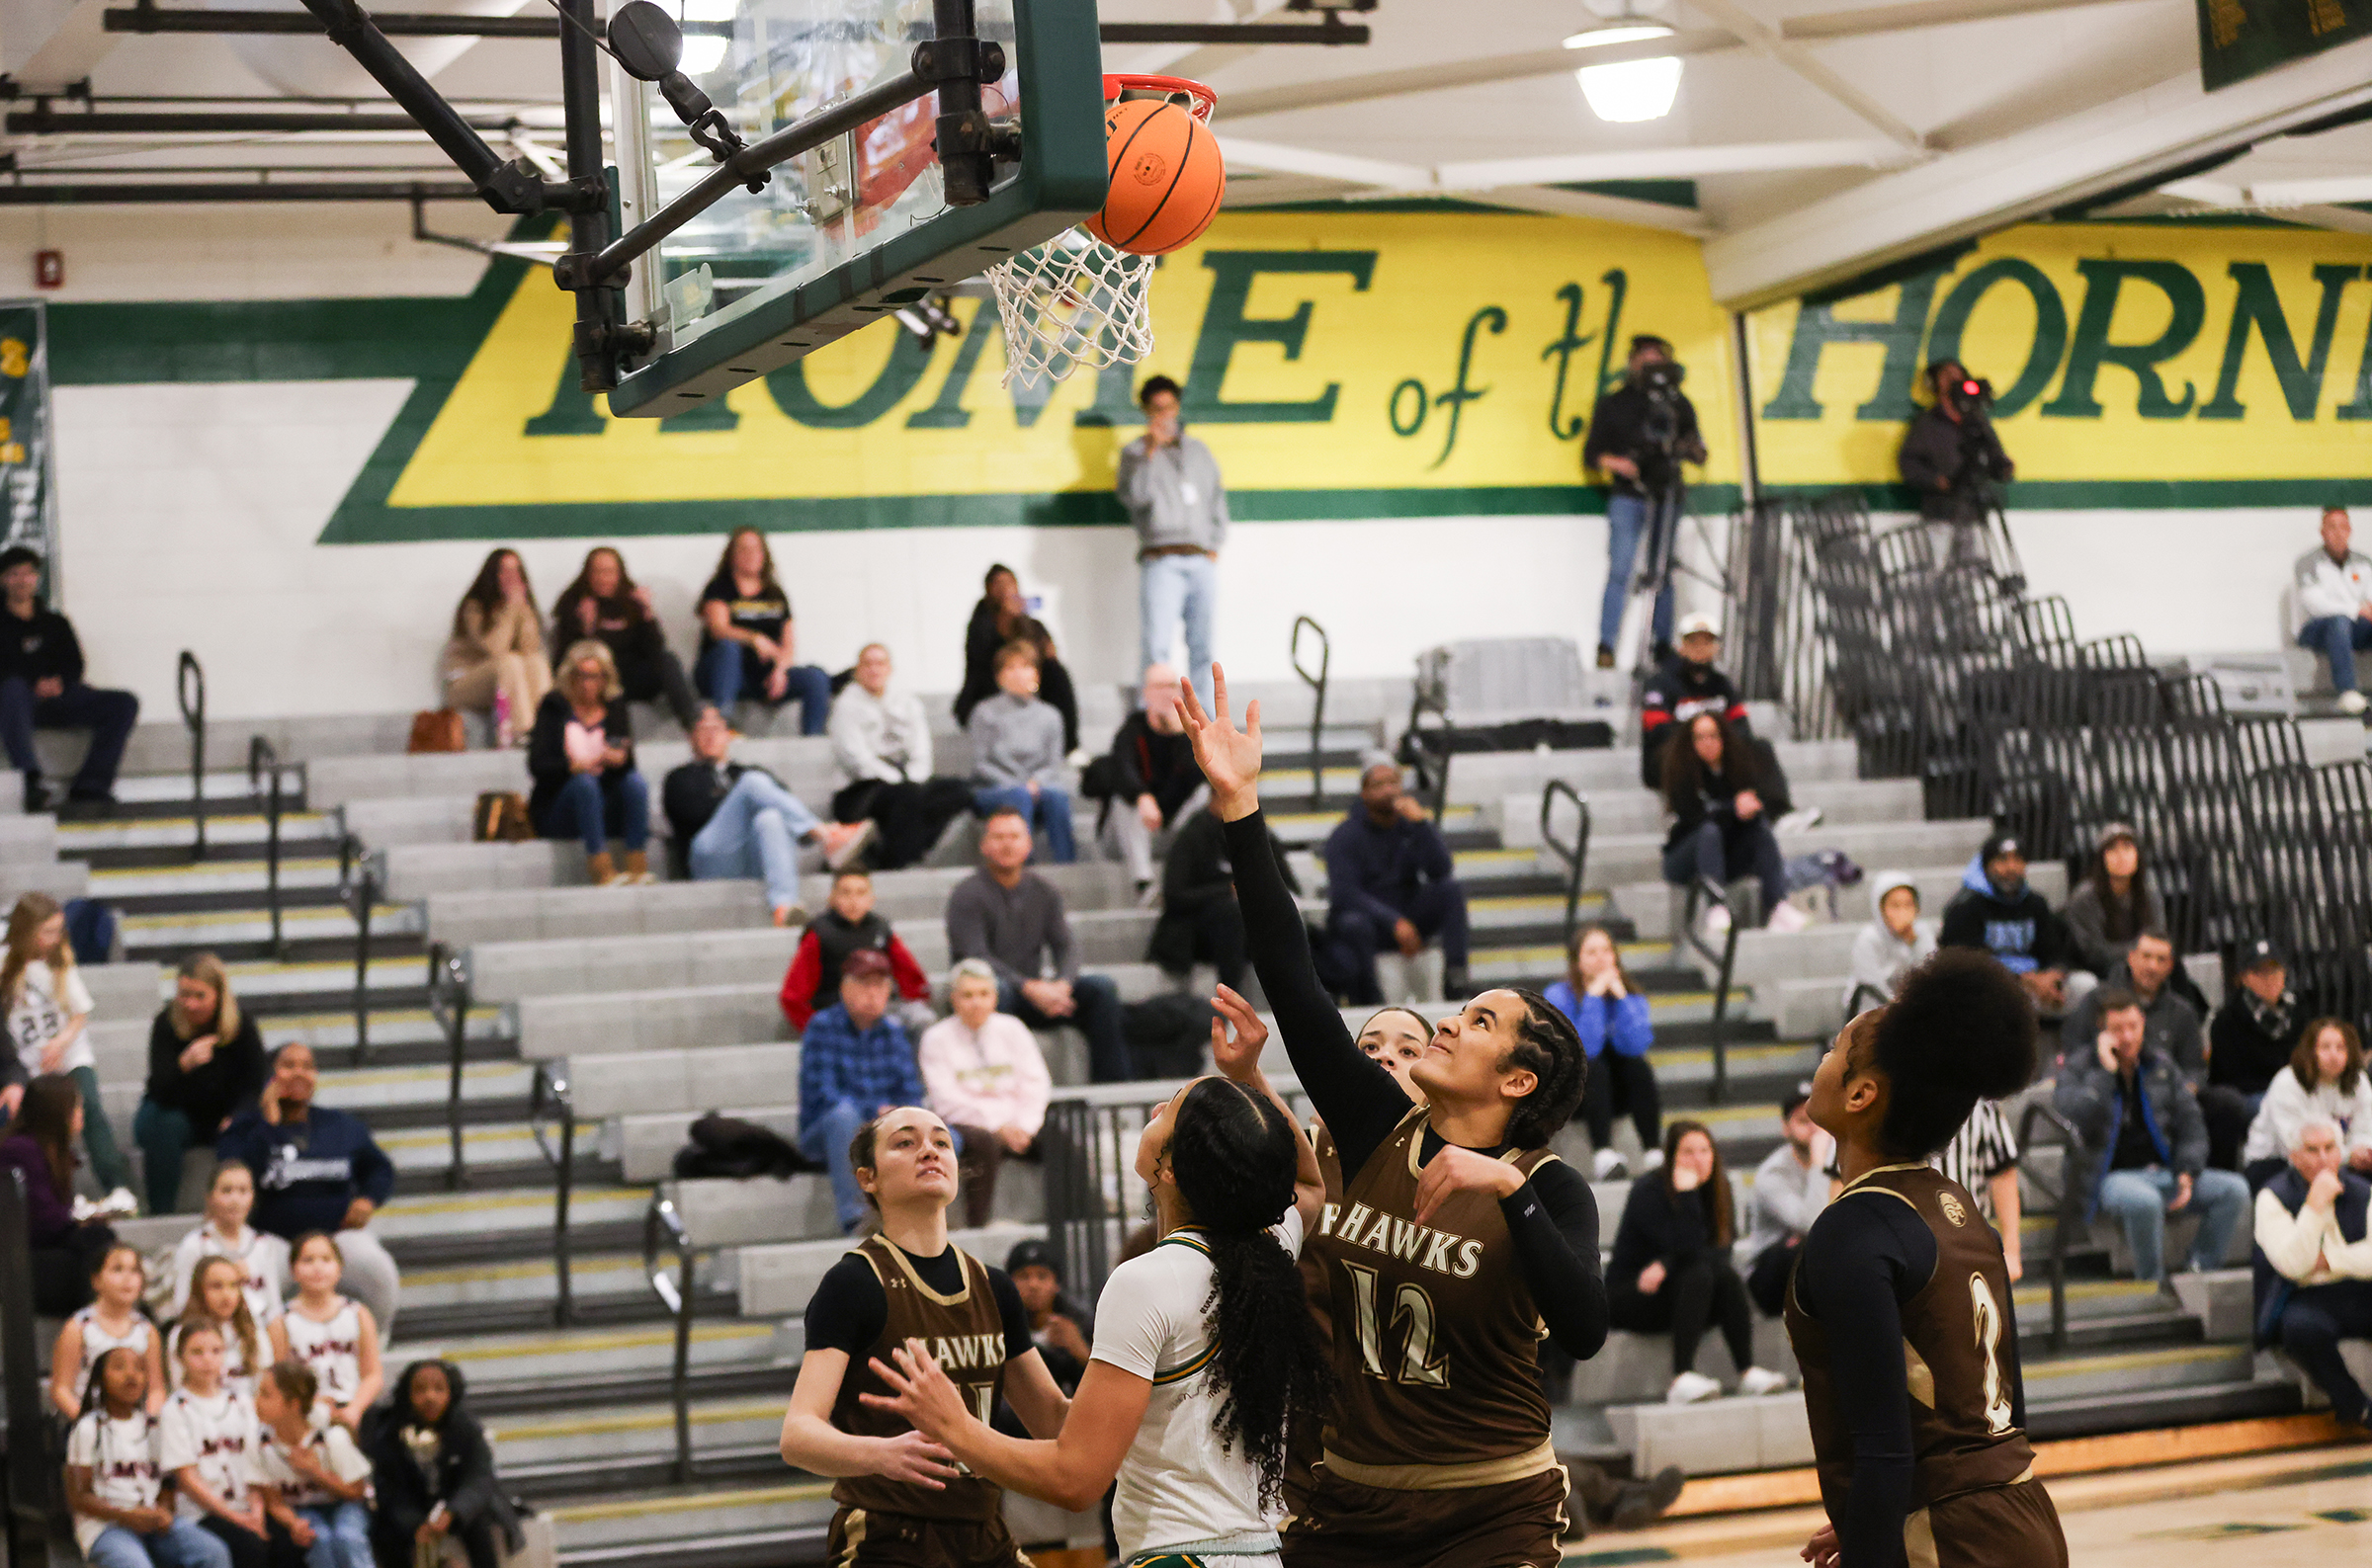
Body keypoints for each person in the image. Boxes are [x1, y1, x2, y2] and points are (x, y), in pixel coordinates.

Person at [1180, 665, 1610, 1568]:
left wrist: (1507, 1191)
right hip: (1355, 1502)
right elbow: (1292, 978)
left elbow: (1584, 1327)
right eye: (1465, 1010)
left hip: (1494, 1507)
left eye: (1481, 1021)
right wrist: (1241, 808)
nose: (1451, 1020)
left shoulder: (1550, 1187)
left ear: (1521, 1082)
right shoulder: (1382, 1129)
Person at [860, 1004, 1329, 1568]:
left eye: (1167, 1114)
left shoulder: (1149, 1280)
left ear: (1170, 1169)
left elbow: (1076, 1478)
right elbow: (1307, 1181)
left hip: (1180, 1556)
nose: (1155, 1109)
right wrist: (1249, 1079)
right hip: (1260, 1554)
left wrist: (956, 1428)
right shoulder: (1270, 1247)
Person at [1788, 949, 2066, 1568]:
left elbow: (1885, 1448)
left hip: (1953, 1536)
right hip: (2022, 1513)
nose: (1822, 1062)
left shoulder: (1853, 1228)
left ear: (1861, 1094)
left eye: (1834, 1048)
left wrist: (1883, 1538)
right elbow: (1999, 1409)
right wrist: (1880, 1519)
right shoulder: (1959, 1207)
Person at [775, 1104, 1070, 1567]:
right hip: (889, 1535)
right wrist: (880, 1454)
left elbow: (1053, 1421)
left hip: (986, 1533)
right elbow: (798, 1434)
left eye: (941, 1141)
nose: (928, 1151)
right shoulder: (854, 1282)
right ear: (867, 1178)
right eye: (905, 1142)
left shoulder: (994, 1286)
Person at [2053, 987, 2250, 1285]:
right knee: (2144, 1201)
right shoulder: (2080, 1068)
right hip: (2109, 1177)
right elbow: (2077, 1116)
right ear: (2102, 1032)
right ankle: (2151, 1283)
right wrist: (2106, 1073)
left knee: (2234, 1190)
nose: (2128, 1037)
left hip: (2164, 1171)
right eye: (2117, 1029)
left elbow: (2191, 1123)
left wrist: (2187, 1170)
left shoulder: (2160, 1065)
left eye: (2133, 1027)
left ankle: (2198, 1270)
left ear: (2143, 1024)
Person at [214, 1043, 400, 1337]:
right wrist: (268, 1123)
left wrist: (368, 1199)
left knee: (376, 1267)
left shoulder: (340, 1125)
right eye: (288, 1065)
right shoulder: (246, 1127)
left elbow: (380, 1168)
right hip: (273, 1241)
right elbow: (232, 1171)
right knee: (252, 1281)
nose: (299, 1073)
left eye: (307, 1066)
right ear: (269, 1076)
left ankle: (373, 1346)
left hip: (335, 1239)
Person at [1607, 1122, 1789, 1403]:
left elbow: (1721, 1251)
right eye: (1688, 1152)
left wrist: (1666, 1264)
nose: (1698, 1159)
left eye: (1705, 1151)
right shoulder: (1648, 1190)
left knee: (1723, 1274)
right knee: (1700, 1272)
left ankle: (1747, 1371)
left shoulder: (1720, 1187)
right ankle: (1681, 1375)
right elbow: (1685, 1247)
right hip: (1635, 1294)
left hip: (1685, 1293)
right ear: (1671, 1157)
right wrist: (1687, 1195)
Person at [946, 808, 1132, 1083]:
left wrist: (1063, 985)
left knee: (1101, 990)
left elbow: (1066, 946)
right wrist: (1030, 988)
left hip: (1039, 994)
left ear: (1028, 843)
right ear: (984, 845)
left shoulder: (1045, 891)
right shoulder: (966, 894)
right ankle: (1006, 1090)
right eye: (998, 837)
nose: (1007, 844)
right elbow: (976, 957)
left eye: (1014, 836)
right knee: (996, 991)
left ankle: (1113, 1088)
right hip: (996, 993)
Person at [664, 704, 871, 925]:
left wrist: (747, 801)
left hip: (753, 856)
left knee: (770, 817)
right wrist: (740, 801)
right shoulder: (680, 777)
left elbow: (784, 807)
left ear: (729, 735)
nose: (710, 735)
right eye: (702, 729)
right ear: (690, 737)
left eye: (716, 728)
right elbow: (691, 815)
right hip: (710, 857)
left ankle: (784, 906)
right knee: (753, 785)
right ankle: (828, 835)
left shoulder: (748, 771)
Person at [4, 889, 137, 1208]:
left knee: (88, 1108)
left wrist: (61, 1043)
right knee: (39, 1128)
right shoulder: (5, 961)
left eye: (57, 930)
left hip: (70, 1053)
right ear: (27, 930)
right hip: (27, 1061)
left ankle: (117, 1186)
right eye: (46, 931)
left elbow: (80, 1011)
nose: (54, 937)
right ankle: (54, 1196)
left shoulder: (60, 960)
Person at [1583, 336, 1705, 667]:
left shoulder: (1679, 404)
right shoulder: (1614, 404)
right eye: (1646, 362)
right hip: (1628, 495)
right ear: (1633, 363)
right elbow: (1592, 454)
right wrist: (1619, 463)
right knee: (1620, 569)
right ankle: (1607, 645)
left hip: (1667, 494)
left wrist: (1688, 449)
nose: (1652, 370)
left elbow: (1697, 448)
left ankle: (1661, 644)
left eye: (1658, 363)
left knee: (1662, 571)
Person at [2249, 1116, 2372, 1432]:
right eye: (2311, 1150)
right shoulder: (2272, 1197)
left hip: (2357, 1289)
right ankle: (2356, 1406)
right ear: (2294, 1156)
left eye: (2329, 1148)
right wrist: (2314, 1207)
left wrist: (2330, 1260)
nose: (2322, 1159)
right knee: (2301, 1329)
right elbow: (2294, 1265)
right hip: (2301, 1295)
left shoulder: (2363, 1191)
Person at [0, 543, 139, 814]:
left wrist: (59, 682)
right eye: (14, 574)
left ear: (36, 578)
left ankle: (91, 786)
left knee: (123, 703)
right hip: (15, 703)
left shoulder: (55, 623)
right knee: (13, 689)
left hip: (58, 697)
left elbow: (74, 663)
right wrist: (33, 684)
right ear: (4, 579)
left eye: (28, 573)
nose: (22, 580)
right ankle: (29, 781)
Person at [1320, 755, 1473, 1004]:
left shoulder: (1410, 825)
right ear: (1364, 793)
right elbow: (1345, 893)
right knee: (1353, 924)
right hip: (1371, 921)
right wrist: (1394, 922)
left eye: (1392, 782)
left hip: (1408, 912)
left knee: (1450, 889)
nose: (1388, 790)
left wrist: (1423, 825)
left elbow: (1441, 870)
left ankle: (1456, 976)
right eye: (1378, 785)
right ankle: (1369, 999)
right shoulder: (1345, 835)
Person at [797, 950, 930, 1235]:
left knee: (945, 1135)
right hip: (826, 1130)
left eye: (879, 986)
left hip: (882, 1126)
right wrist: (877, 1113)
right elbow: (823, 1094)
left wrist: (897, 1116)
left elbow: (911, 1092)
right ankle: (857, 1219)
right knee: (844, 1117)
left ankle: (925, 1215)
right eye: (864, 985)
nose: (872, 994)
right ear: (845, 988)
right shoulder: (822, 1028)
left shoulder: (894, 1033)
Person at [1116, 375, 1226, 713]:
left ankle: (1205, 717)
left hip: (1199, 558)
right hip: (1161, 559)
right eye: (1156, 409)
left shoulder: (1199, 450)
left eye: (1169, 407)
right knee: (1158, 645)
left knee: (1203, 645)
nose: (1164, 415)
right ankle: (1155, 719)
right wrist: (1149, 454)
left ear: (1177, 407)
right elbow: (1136, 499)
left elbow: (1215, 498)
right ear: (1146, 411)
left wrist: (1213, 543)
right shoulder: (1134, 453)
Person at [917, 959, 1053, 1231]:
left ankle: (1070, 1218)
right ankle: (977, 1227)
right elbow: (946, 1100)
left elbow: (1036, 1084)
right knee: (983, 1142)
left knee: (1061, 1135)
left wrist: (1024, 1126)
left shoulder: (1012, 1028)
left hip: (1020, 1122)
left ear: (995, 997)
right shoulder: (936, 1038)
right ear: (953, 999)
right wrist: (997, 1127)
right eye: (967, 995)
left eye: (983, 994)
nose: (976, 1002)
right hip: (969, 1124)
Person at [67, 1346, 231, 1568]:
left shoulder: (154, 1426)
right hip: (106, 1526)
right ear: (99, 1379)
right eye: (119, 1367)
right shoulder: (88, 1428)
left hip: (151, 1522)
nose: (131, 1374)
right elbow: (78, 1497)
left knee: (214, 1552)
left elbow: (166, 1483)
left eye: (139, 1368)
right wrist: (128, 1516)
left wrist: (162, 1510)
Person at [135, 954, 267, 1216]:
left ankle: (252, 1216)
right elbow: (160, 1090)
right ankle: (162, 1212)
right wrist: (183, 1064)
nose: (191, 1004)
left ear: (218, 995)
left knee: (253, 1130)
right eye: (184, 995)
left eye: (199, 996)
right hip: (175, 1110)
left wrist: (237, 1115)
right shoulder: (166, 1023)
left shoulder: (242, 1026)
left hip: (222, 1115)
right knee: (163, 1124)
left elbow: (256, 1083)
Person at [829, 642, 974, 870]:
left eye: (880, 663)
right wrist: (902, 783)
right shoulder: (845, 706)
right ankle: (897, 865)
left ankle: (889, 855)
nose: (874, 669)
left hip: (906, 782)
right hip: (860, 790)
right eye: (868, 664)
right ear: (857, 670)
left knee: (959, 791)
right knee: (906, 797)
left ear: (890, 669)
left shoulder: (907, 703)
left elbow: (921, 751)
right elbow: (856, 760)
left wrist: (914, 781)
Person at [367, 1360, 525, 1568]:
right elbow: (388, 1489)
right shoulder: (390, 1432)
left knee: (479, 1523)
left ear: (451, 1394)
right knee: (386, 1533)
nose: (430, 1397)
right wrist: (415, 1524)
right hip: (412, 1509)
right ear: (407, 1394)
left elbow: (479, 1478)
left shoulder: (466, 1427)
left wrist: (453, 1512)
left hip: (455, 1506)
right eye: (420, 1390)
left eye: (439, 1389)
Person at [1659, 713, 1804, 937]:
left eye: (1713, 736)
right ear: (1691, 743)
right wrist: (1732, 809)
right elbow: (1694, 817)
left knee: (1760, 829)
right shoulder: (1682, 773)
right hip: (1686, 857)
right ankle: (1716, 906)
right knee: (1709, 831)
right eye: (1700, 737)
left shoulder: (1737, 767)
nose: (1708, 743)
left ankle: (1777, 905)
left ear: (1723, 738)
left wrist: (1750, 809)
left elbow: (1753, 806)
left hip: (1726, 856)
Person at [529, 639, 652, 887]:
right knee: (584, 784)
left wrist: (618, 759)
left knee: (635, 783)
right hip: (562, 805)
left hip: (605, 802)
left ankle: (637, 865)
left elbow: (628, 763)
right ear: (570, 677)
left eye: (596, 677)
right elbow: (538, 765)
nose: (588, 684)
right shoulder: (553, 707)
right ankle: (600, 868)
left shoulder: (615, 707)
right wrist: (574, 767)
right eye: (582, 676)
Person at [1546, 925, 1662, 1181]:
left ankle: (1653, 1151)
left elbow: (1637, 1045)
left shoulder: (1631, 995)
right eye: (1592, 952)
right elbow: (1583, 1050)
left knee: (1638, 1066)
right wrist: (1594, 997)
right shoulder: (1557, 996)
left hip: (1618, 1093)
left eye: (1607, 950)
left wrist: (1622, 1000)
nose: (1601, 958)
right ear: (1577, 962)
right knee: (1594, 1066)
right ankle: (1603, 1154)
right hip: (1573, 1093)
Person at [1147, 794, 1296, 995]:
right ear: (1215, 799)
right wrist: (1227, 890)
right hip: (1196, 929)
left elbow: (1289, 885)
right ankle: (1233, 999)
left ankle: (1295, 1000)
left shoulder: (1256, 834)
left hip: (1247, 928)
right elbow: (1174, 896)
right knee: (1232, 916)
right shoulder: (1193, 835)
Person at [695, 528, 833, 732]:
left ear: (764, 555)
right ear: (732, 555)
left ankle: (812, 739)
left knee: (817, 677)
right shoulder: (719, 588)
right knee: (729, 648)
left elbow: (788, 645)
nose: (751, 555)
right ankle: (722, 727)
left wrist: (780, 670)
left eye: (756, 549)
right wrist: (754, 638)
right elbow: (718, 628)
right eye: (744, 549)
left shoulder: (775, 594)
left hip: (763, 677)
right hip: (722, 674)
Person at [1, 1073, 118, 1313]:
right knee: (98, 1244)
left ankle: (105, 1319)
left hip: (38, 1253)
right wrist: (81, 1220)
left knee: (100, 1245)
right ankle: (97, 1322)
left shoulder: (51, 1151)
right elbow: (40, 1222)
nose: (80, 1113)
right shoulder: (20, 1150)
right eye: (76, 1107)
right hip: (15, 1263)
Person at [549, 544, 700, 730]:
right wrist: (585, 630)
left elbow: (655, 649)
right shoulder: (574, 602)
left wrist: (647, 614)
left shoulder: (631, 601)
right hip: (597, 679)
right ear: (587, 575)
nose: (604, 578)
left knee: (668, 660)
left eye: (610, 572)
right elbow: (565, 659)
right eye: (598, 572)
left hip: (630, 677)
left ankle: (694, 724)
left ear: (619, 574)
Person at [1088, 663, 1206, 897]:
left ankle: (1192, 875)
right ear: (1146, 692)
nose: (1165, 692)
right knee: (1125, 801)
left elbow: (1195, 778)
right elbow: (1120, 770)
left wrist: (1181, 736)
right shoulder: (1131, 730)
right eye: (1158, 686)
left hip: (1170, 828)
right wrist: (1141, 796)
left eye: (1171, 686)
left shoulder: (1191, 735)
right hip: (1126, 834)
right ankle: (1143, 884)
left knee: (1205, 793)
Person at [159, 1321, 269, 1568]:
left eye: (216, 1351)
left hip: (247, 1505)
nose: (208, 1360)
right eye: (197, 1352)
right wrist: (237, 1518)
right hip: (203, 1513)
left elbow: (256, 1466)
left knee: (288, 1541)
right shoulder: (175, 1409)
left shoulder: (242, 1401)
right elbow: (187, 1480)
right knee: (249, 1546)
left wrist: (256, 1512)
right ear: (180, 1358)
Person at [779, 867, 932, 1035]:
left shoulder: (882, 929)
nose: (854, 900)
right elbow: (793, 996)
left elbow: (912, 979)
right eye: (846, 893)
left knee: (921, 1019)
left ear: (871, 899)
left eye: (861, 893)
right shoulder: (819, 934)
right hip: (837, 1013)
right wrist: (814, 1029)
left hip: (883, 1010)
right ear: (832, 898)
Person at [2204, 940, 2313, 1176]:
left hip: (2297, 1086)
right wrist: (2280, 1091)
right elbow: (2229, 1076)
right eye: (2259, 972)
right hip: (2251, 1093)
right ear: (2244, 978)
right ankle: (2280, 1171)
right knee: (2268, 1107)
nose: (2269, 978)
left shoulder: (2299, 1010)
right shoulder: (2226, 1020)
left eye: (2274, 970)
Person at [1939, 832, 2076, 1018]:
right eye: (2002, 860)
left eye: (2018, 860)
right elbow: (1966, 963)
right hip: (1991, 986)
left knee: (2084, 986)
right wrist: (2021, 980)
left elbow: (2054, 949)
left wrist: (2053, 975)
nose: (2011, 868)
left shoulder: (2036, 903)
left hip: (2037, 985)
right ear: (1986, 866)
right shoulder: (1965, 906)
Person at [252, 1361, 374, 1568]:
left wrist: (315, 1471)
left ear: (294, 1404)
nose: (256, 1401)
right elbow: (275, 1502)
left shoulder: (331, 1437)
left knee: (348, 1538)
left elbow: (356, 1491)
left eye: (266, 1395)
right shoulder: (261, 1445)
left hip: (345, 1504)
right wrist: (294, 1524)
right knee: (319, 1539)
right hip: (303, 1508)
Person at [966, 641, 1076, 863]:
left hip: (1037, 787)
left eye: (1025, 666)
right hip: (994, 787)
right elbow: (981, 763)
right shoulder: (984, 713)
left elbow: (1054, 763)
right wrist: (1020, 785)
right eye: (1010, 668)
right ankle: (1022, 867)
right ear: (999, 677)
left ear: (1036, 674)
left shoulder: (1050, 715)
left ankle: (1066, 865)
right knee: (1019, 796)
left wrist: (1035, 783)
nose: (1018, 674)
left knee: (1057, 797)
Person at [954, 566, 1081, 755]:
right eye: (998, 584)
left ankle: (1070, 746)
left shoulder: (1031, 624)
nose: (1005, 589)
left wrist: (1021, 624)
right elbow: (985, 661)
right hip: (988, 690)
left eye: (1009, 583)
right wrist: (1005, 620)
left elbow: (1046, 655)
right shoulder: (980, 623)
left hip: (1031, 692)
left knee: (1057, 673)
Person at [2058, 929, 2205, 1087]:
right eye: (2146, 956)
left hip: (2166, 1096)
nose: (2152, 967)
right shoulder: (2097, 1001)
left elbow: (2194, 1068)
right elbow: (2073, 1051)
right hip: (2105, 1091)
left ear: (2170, 967)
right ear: (2131, 958)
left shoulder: (2182, 1012)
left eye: (2161, 960)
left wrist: (2187, 1091)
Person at [2239, 1019, 2372, 1189]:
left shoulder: (2359, 1082)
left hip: (2338, 1161)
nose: (2334, 1055)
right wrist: (2348, 1156)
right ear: (2310, 1051)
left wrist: (2361, 1152)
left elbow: (2365, 1130)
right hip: (2275, 1161)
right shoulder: (2287, 1082)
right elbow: (2294, 1146)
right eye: (2325, 1048)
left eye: (2341, 1048)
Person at [438, 547, 549, 747]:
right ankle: (521, 731)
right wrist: (510, 609)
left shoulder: (520, 606)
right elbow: (496, 649)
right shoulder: (474, 608)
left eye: (516, 571)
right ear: (492, 575)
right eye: (504, 571)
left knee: (536, 661)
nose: (511, 577)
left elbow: (529, 649)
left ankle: (547, 729)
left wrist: (523, 612)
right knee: (509, 661)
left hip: (505, 678)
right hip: (465, 683)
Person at [1743, 1087, 1834, 1319]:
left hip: (1814, 1262)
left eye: (1818, 1119)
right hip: (1769, 1273)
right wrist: (1818, 1164)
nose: (1814, 1129)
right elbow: (1813, 1223)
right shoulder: (1772, 1174)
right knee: (1807, 1248)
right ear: (1786, 1128)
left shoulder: (1840, 1159)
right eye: (1803, 1121)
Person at [1898, 359, 2015, 537]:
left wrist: (2003, 467)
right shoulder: (1927, 423)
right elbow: (1908, 461)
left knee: (1975, 562)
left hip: (1974, 513)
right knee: (1941, 564)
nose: (1952, 379)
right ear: (1935, 383)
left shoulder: (1977, 420)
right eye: (1946, 375)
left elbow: (1993, 450)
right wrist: (1936, 480)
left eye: (1956, 375)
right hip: (1941, 513)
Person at [167, 1162, 291, 1331]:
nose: (235, 1199)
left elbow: (274, 1308)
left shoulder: (263, 1244)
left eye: (243, 1191)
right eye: (226, 1191)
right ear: (210, 1197)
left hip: (258, 1336)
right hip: (211, 1337)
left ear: (252, 1197)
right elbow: (182, 1306)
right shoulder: (195, 1245)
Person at [282, 1232, 383, 1436]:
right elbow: (279, 1379)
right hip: (306, 1415)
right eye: (308, 1260)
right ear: (293, 1271)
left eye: (326, 1260)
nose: (317, 1267)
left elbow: (373, 1374)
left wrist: (354, 1409)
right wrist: (309, 1404)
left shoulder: (358, 1313)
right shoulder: (282, 1320)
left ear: (339, 1268)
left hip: (354, 1410)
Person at [53, 1241, 166, 1418]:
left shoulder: (147, 1330)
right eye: (117, 1269)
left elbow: (156, 1390)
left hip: (133, 1426)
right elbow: (61, 1390)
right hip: (87, 1424)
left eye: (135, 1270)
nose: (127, 1278)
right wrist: (90, 1425)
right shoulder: (78, 1327)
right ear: (96, 1281)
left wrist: (147, 1422)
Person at [1637, 614, 1749, 790]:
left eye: (1706, 642)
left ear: (1715, 648)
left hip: (1716, 757)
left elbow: (1742, 727)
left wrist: (1715, 743)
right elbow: (1657, 730)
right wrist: (1701, 739)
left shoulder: (1723, 685)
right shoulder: (1660, 683)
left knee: (1760, 749)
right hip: (1672, 760)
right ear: (1681, 647)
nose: (1700, 648)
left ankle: (1776, 811)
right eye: (1693, 642)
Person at [1931, 1099, 2025, 1281]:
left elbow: (2002, 1171)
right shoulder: (1895, 1093)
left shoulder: (1981, 1103)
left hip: (1968, 1245)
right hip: (1906, 1245)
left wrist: (2011, 1250)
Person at [2293, 504, 2372, 714]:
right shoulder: (2307, 563)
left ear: (2350, 531)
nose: (2338, 534)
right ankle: (2347, 691)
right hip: (2316, 629)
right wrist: (2356, 609)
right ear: (2322, 531)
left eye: (2343, 527)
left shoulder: (2364, 563)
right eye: (2332, 527)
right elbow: (2317, 605)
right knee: (2338, 621)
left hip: (2354, 629)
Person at [2062, 823, 2162, 980]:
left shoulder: (2149, 895)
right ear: (2101, 859)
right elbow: (2093, 952)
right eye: (2112, 849)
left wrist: (2144, 957)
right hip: (2097, 971)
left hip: (2142, 964)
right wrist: (2138, 954)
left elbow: (2158, 938)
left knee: (2174, 969)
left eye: (2127, 848)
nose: (2121, 856)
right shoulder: (2084, 898)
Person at [175, 1254, 282, 1401]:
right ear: (199, 1290)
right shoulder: (181, 1334)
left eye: (233, 1285)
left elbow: (266, 1385)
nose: (227, 1295)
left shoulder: (252, 1329)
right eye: (216, 1286)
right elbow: (179, 1390)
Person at [1001, 1238, 1093, 1398]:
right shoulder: (998, 1326)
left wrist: (1081, 1351)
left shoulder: (1080, 1323)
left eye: (1042, 1276)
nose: (1033, 1285)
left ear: (1056, 1283)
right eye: (1023, 1277)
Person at [1847, 870, 1935, 1014]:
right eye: (1895, 906)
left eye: (1908, 905)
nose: (1903, 912)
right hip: (1872, 1011)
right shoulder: (1868, 938)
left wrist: (1913, 943)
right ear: (1880, 909)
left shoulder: (1922, 932)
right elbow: (1872, 985)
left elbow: (1930, 974)